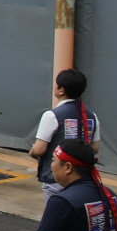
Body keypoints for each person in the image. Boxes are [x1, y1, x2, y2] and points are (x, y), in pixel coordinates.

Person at [30, 69, 100, 204]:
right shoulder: (92, 116)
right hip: (82, 179)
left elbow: (39, 150)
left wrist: (32, 152)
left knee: (57, 213)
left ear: (61, 90)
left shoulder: (52, 115)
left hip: (56, 178)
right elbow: (95, 148)